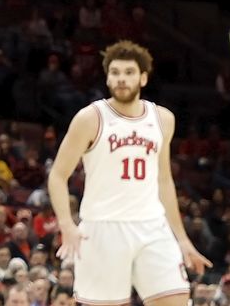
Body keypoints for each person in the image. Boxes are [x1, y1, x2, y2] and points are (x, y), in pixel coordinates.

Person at [48, 41, 209, 306]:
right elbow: (57, 176)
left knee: (177, 300)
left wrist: (182, 239)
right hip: (102, 228)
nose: (121, 79)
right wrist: (67, 225)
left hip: (152, 225)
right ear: (108, 77)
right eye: (115, 73)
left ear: (143, 78)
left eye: (129, 72)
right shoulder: (90, 118)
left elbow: (164, 180)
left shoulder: (163, 119)